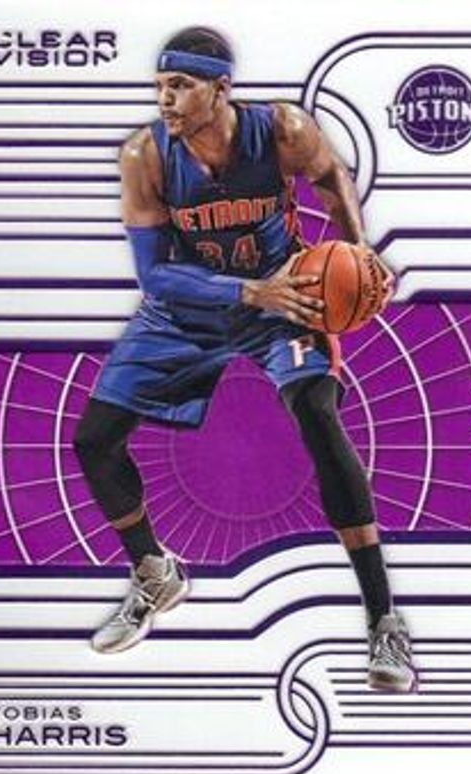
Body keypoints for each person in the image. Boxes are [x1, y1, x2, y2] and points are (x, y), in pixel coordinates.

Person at [73, 26, 416, 692]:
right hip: (188, 308)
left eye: (180, 86)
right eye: (160, 86)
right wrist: (246, 290)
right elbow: (154, 274)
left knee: (318, 413)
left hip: (283, 297)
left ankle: (384, 621)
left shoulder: (282, 128)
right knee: (94, 440)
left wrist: (357, 250)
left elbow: (329, 174)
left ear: (220, 89)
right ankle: (154, 573)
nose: (165, 99)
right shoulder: (145, 154)